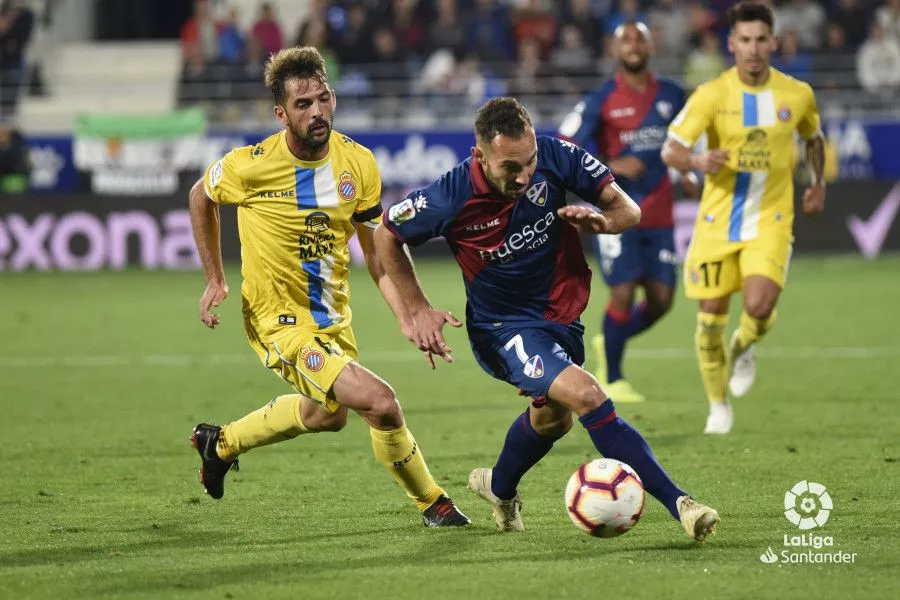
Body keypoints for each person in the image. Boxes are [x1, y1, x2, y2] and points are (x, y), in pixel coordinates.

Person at [373, 97, 719, 541]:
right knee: (588, 395)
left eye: (530, 162)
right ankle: (682, 505)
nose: (524, 176)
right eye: (510, 167)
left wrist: (603, 222)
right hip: (502, 327)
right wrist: (417, 308)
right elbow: (387, 234)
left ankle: (497, 488)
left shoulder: (557, 156)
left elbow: (627, 209)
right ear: (480, 156)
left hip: (561, 314)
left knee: (552, 421)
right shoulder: (450, 194)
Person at [187, 46, 469, 527]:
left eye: (323, 98)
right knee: (381, 402)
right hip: (277, 321)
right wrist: (215, 276)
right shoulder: (249, 165)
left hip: (332, 319)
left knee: (330, 414)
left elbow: (378, 252)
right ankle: (435, 504)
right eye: (303, 104)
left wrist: (408, 315)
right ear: (281, 113)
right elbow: (201, 196)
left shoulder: (358, 164)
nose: (317, 112)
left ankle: (222, 443)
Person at [661, 1, 825, 435]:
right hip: (718, 222)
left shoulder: (797, 94)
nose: (753, 49)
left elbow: (814, 138)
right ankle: (718, 405)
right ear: (732, 44)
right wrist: (698, 160)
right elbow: (671, 148)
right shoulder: (712, 94)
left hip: (772, 217)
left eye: (761, 40)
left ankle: (745, 345)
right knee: (710, 318)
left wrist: (818, 183)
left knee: (759, 304)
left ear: (773, 41)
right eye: (745, 40)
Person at [558, 20, 695, 404]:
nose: (633, 45)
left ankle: (611, 338)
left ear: (652, 46)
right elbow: (565, 144)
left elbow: (687, 140)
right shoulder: (601, 99)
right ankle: (614, 378)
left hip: (661, 213)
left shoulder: (672, 94)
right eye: (626, 40)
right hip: (616, 213)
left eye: (640, 39)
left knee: (662, 301)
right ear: (613, 50)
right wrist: (611, 164)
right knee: (621, 292)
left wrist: (688, 170)